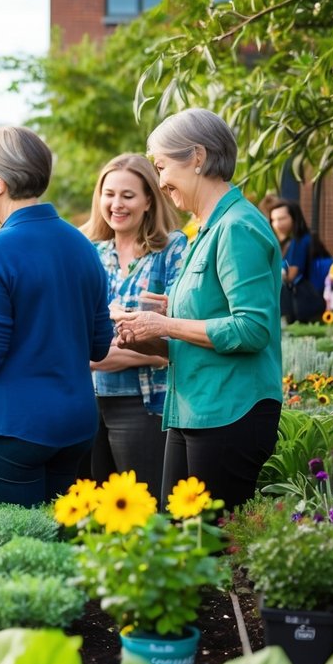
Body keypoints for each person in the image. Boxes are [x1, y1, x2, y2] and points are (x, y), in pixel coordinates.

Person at [0, 127, 113, 511]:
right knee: (63, 550)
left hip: (15, 425)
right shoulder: (82, 244)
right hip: (76, 423)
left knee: (18, 554)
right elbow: (98, 345)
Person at [116, 108, 282, 510]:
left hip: (228, 413)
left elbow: (252, 328)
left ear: (197, 157)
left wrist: (167, 323)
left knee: (210, 553)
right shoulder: (205, 229)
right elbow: (200, 327)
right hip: (194, 410)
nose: (160, 182)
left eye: (162, 167)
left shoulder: (237, 227)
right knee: (182, 547)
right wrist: (146, 332)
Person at [81, 154, 188, 493]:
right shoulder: (89, 251)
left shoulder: (172, 249)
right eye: (108, 194)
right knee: (93, 515)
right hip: (89, 403)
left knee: (145, 513)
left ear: (148, 200)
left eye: (127, 195)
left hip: (145, 406)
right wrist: (134, 339)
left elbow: (174, 341)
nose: (116, 204)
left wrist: (98, 353)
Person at [269, 197, 322, 323]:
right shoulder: (288, 242)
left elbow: (291, 276)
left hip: (307, 302)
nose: (277, 224)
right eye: (274, 220)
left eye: (282, 219)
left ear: (294, 217)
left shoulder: (301, 241)